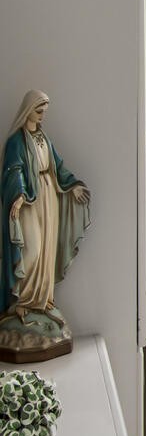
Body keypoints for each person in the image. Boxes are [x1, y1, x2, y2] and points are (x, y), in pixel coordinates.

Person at [1, 90, 90, 359]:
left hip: (49, 195)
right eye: (39, 109)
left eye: (44, 111)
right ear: (28, 109)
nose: (42, 115)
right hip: (30, 200)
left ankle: (41, 302)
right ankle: (21, 301)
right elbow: (13, 169)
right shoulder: (17, 141)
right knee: (33, 249)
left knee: (47, 251)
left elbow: (58, 165)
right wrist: (17, 197)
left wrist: (72, 185)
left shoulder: (43, 138)